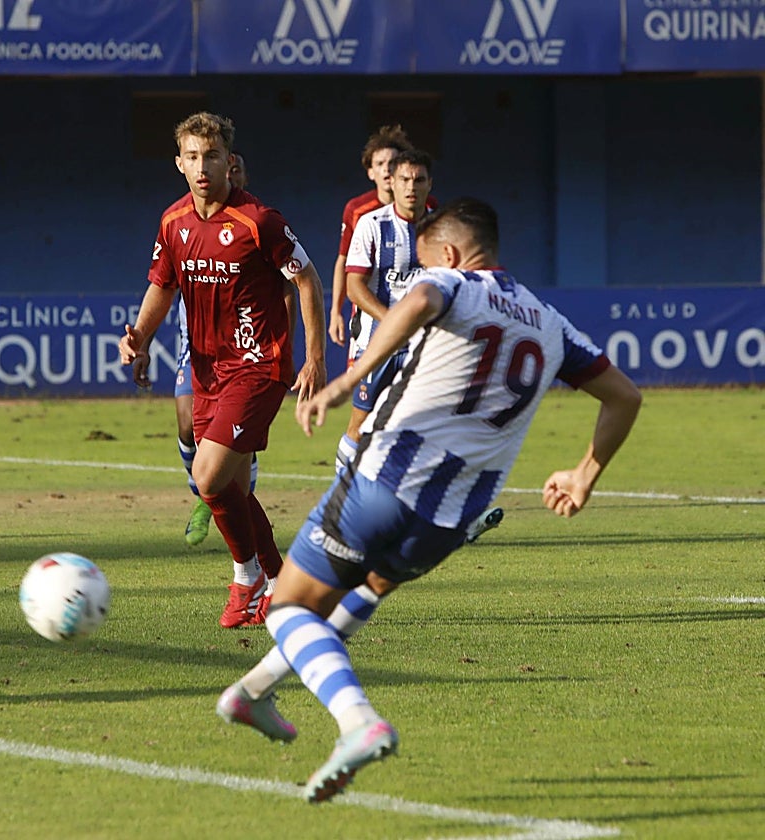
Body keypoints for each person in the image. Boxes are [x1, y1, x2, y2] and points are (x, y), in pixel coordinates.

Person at [216, 197, 641, 803]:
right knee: (367, 589)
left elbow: (417, 300)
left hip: (386, 479)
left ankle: (357, 723)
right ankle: (251, 692)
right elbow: (625, 396)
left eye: (422, 263)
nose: (420, 275)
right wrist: (583, 475)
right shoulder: (550, 322)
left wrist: (344, 380)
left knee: (287, 609)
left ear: (449, 254)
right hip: (454, 515)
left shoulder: (449, 282)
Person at [120, 112, 327, 629]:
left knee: (208, 477)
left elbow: (308, 281)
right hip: (206, 369)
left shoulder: (260, 220)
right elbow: (162, 286)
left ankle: (246, 578)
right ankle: (281, 585)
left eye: (211, 156)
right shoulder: (173, 223)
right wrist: (139, 339)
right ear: (179, 163)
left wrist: (316, 358)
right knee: (233, 491)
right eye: (192, 156)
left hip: (259, 365)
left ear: (230, 162)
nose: (202, 166)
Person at [340, 149, 503, 544]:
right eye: (405, 180)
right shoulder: (371, 225)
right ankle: (345, 508)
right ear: (389, 183)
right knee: (361, 429)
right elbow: (354, 286)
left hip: (429, 348)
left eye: (420, 180)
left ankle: (461, 514)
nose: (412, 187)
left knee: (447, 426)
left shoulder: (444, 231)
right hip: (378, 344)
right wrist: (395, 323)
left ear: (431, 184)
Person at [327, 125, 413, 351]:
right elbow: (343, 260)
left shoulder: (427, 208)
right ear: (370, 172)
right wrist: (336, 310)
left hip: (412, 313)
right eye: (380, 164)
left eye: (393, 163)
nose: (387, 169)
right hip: (369, 316)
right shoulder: (358, 210)